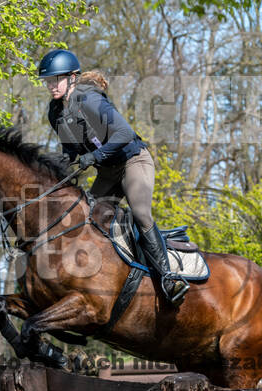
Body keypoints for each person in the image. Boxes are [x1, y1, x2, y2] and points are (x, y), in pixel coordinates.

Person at [38, 49, 189, 304]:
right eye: (48, 81)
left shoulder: (90, 101)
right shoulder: (55, 113)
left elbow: (124, 134)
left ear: (73, 78)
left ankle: (169, 277)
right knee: (86, 219)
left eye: (57, 80)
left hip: (133, 160)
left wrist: (93, 157)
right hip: (108, 170)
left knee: (140, 213)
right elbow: (70, 151)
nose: (52, 86)